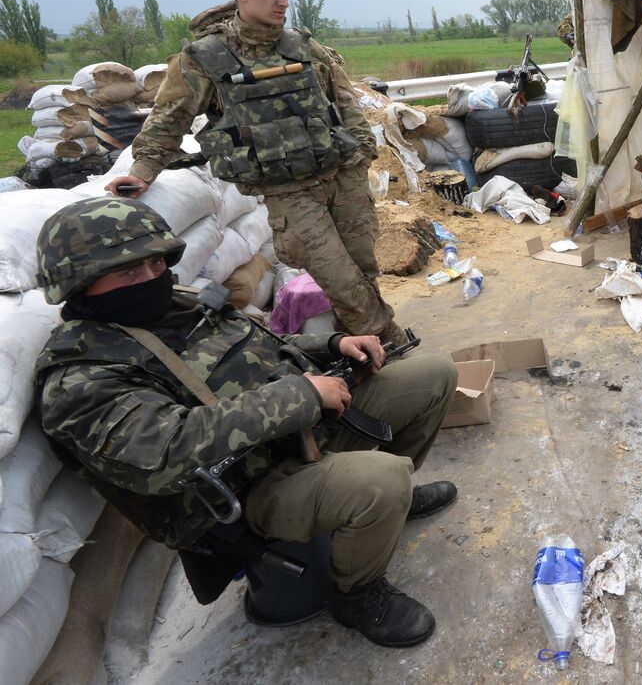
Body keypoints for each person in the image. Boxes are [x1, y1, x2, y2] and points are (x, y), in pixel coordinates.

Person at [33, 197, 459, 647]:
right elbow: (165, 453)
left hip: (300, 431)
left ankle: (382, 511)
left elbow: (267, 345)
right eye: (127, 272)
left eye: (156, 263)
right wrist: (300, 395)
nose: (150, 278)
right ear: (78, 283)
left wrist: (332, 345)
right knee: (381, 479)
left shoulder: (182, 302)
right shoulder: (81, 375)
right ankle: (356, 594)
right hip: (245, 489)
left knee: (433, 374)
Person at [105, 0, 405, 344]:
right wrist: (142, 171)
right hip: (289, 191)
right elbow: (169, 118)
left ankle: (355, 350)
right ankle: (391, 341)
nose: (282, 1)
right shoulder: (205, 58)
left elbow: (343, 97)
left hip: (341, 174)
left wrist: (362, 150)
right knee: (338, 275)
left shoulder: (302, 45)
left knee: (362, 269)